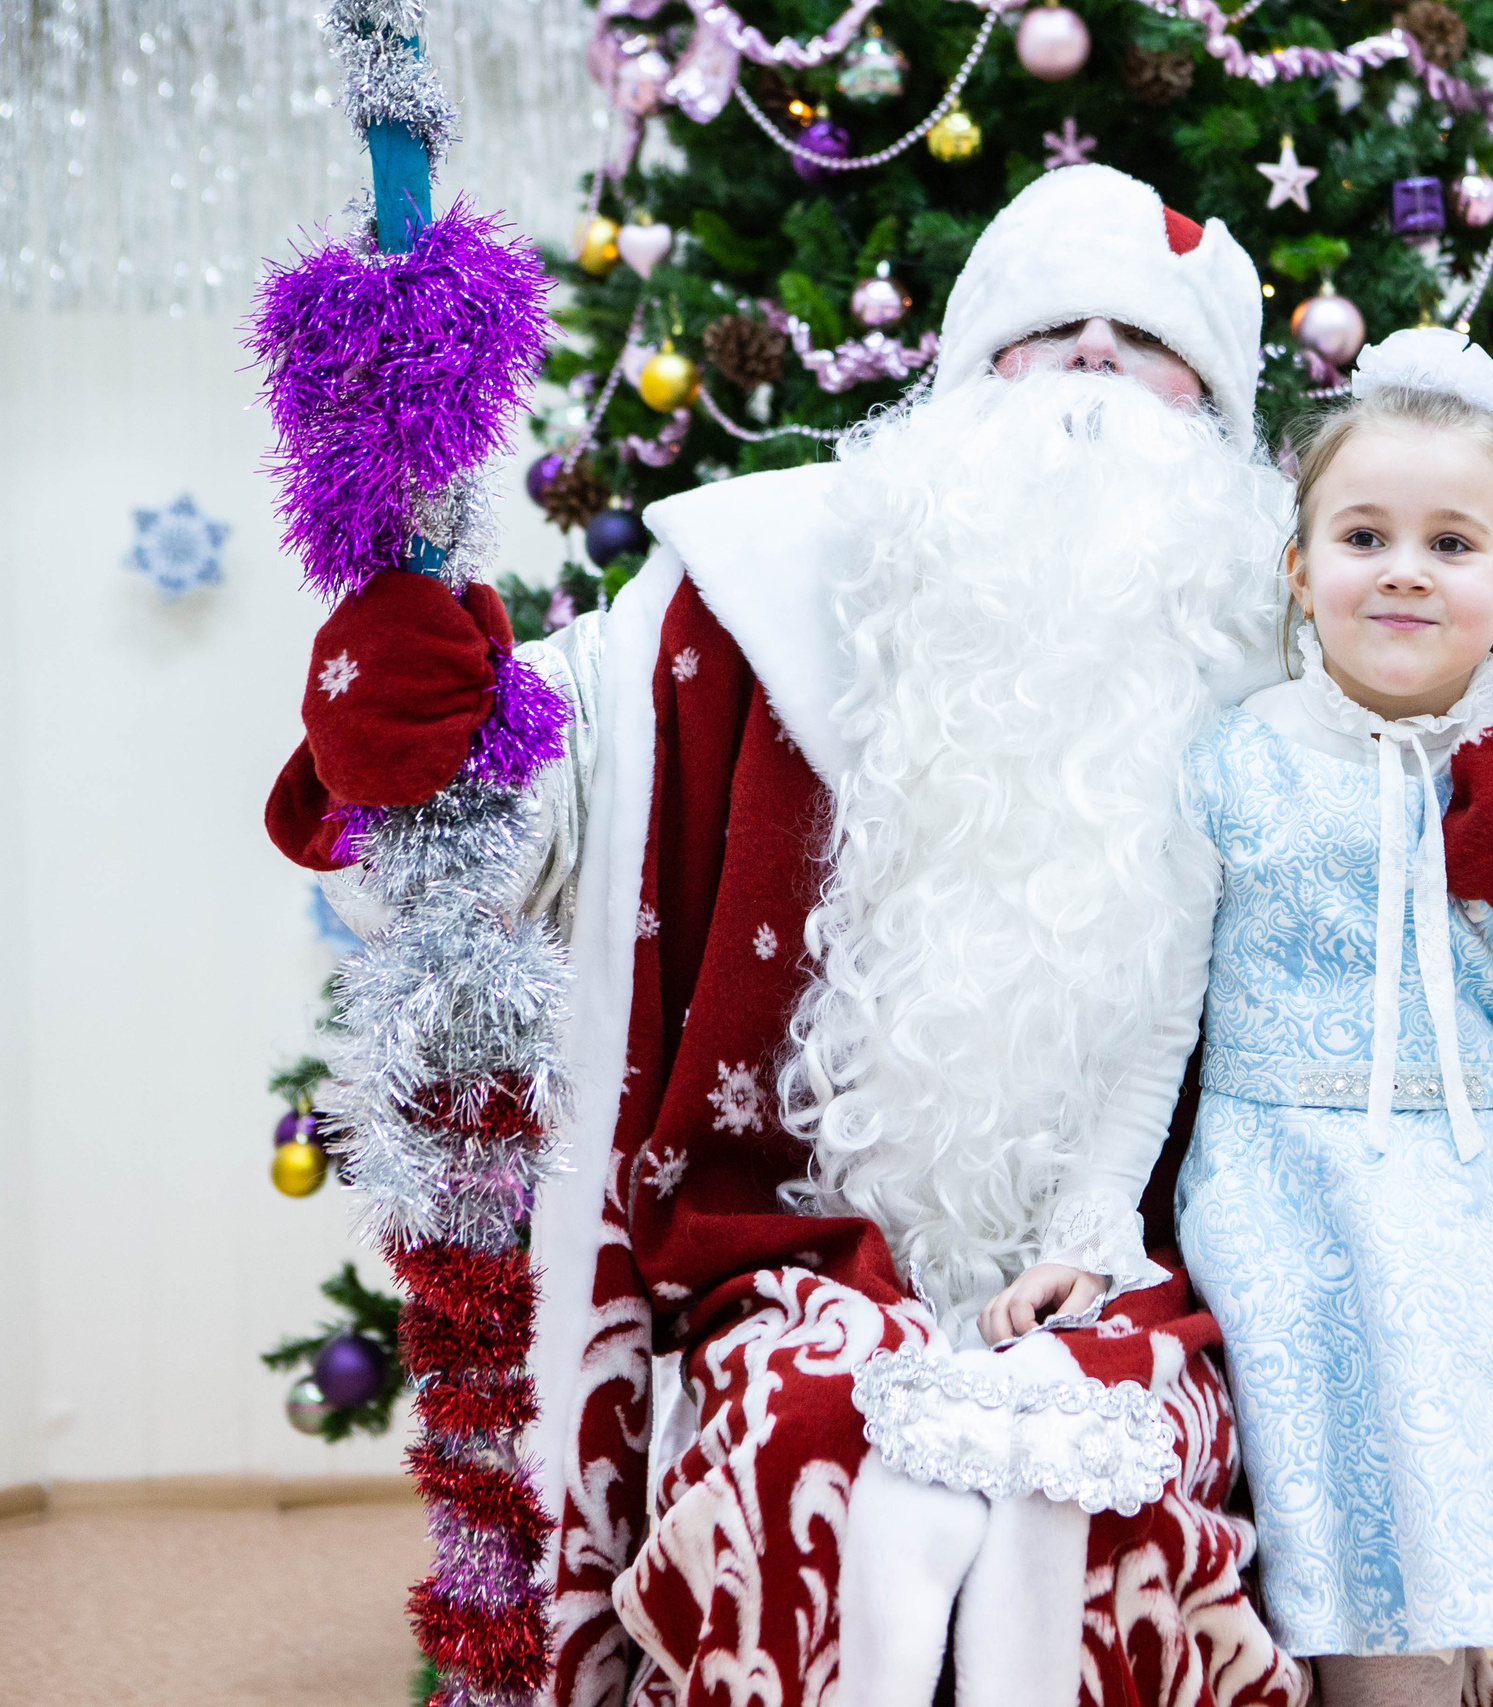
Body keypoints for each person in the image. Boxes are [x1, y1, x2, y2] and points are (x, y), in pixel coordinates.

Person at [266, 166, 1305, 1707]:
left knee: (1109, 1479)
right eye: (1052, 328)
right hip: (796, 1254)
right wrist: (427, 714)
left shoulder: (1286, 641)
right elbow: (528, 812)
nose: (1095, 361)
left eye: (1149, 343)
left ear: (1217, 413)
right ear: (967, 379)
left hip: (1137, 1267)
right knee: (813, 1446)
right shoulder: (761, 588)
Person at [981, 329, 1493, 1705]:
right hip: (1297, 1226)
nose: (1404, 568)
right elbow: (1156, 1033)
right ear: (1301, 568)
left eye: (1452, 544)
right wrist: (1091, 1234)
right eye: (1364, 534)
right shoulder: (1232, 768)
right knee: (1376, 1606)